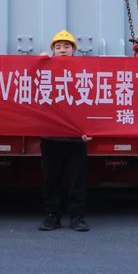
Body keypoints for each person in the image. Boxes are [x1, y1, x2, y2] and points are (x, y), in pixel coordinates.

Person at [38, 30, 90, 232]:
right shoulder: (45, 70)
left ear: (73, 50)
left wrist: (89, 129)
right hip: (50, 136)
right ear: (53, 51)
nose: (62, 50)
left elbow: (91, 102)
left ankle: (77, 217)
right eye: (58, 47)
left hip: (76, 138)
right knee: (51, 179)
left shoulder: (83, 72)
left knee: (77, 179)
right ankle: (52, 216)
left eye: (66, 46)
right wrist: (38, 62)